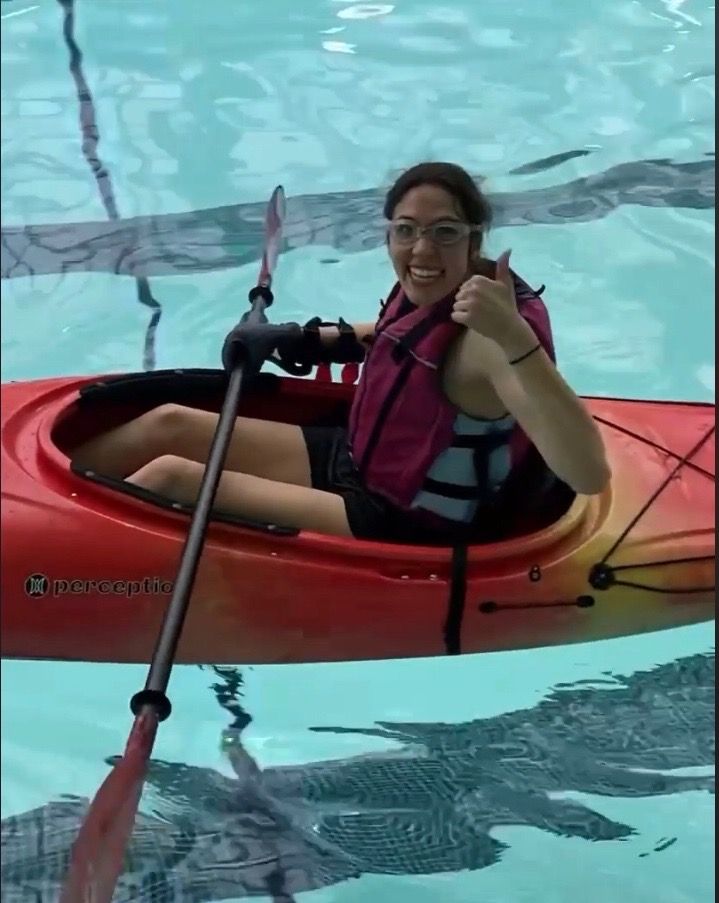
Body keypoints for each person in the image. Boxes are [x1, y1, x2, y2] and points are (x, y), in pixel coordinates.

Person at [71, 162, 610, 543]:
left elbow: (588, 474)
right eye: (406, 231)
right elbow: (401, 338)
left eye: (443, 232)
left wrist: (515, 339)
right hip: (359, 460)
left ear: (474, 238)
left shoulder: (491, 335)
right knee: (168, 424)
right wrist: (301, 338)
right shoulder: (436, 285)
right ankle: (53, 499)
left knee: (171, 477)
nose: (422, 250)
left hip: (404, 518)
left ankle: (61, 567)